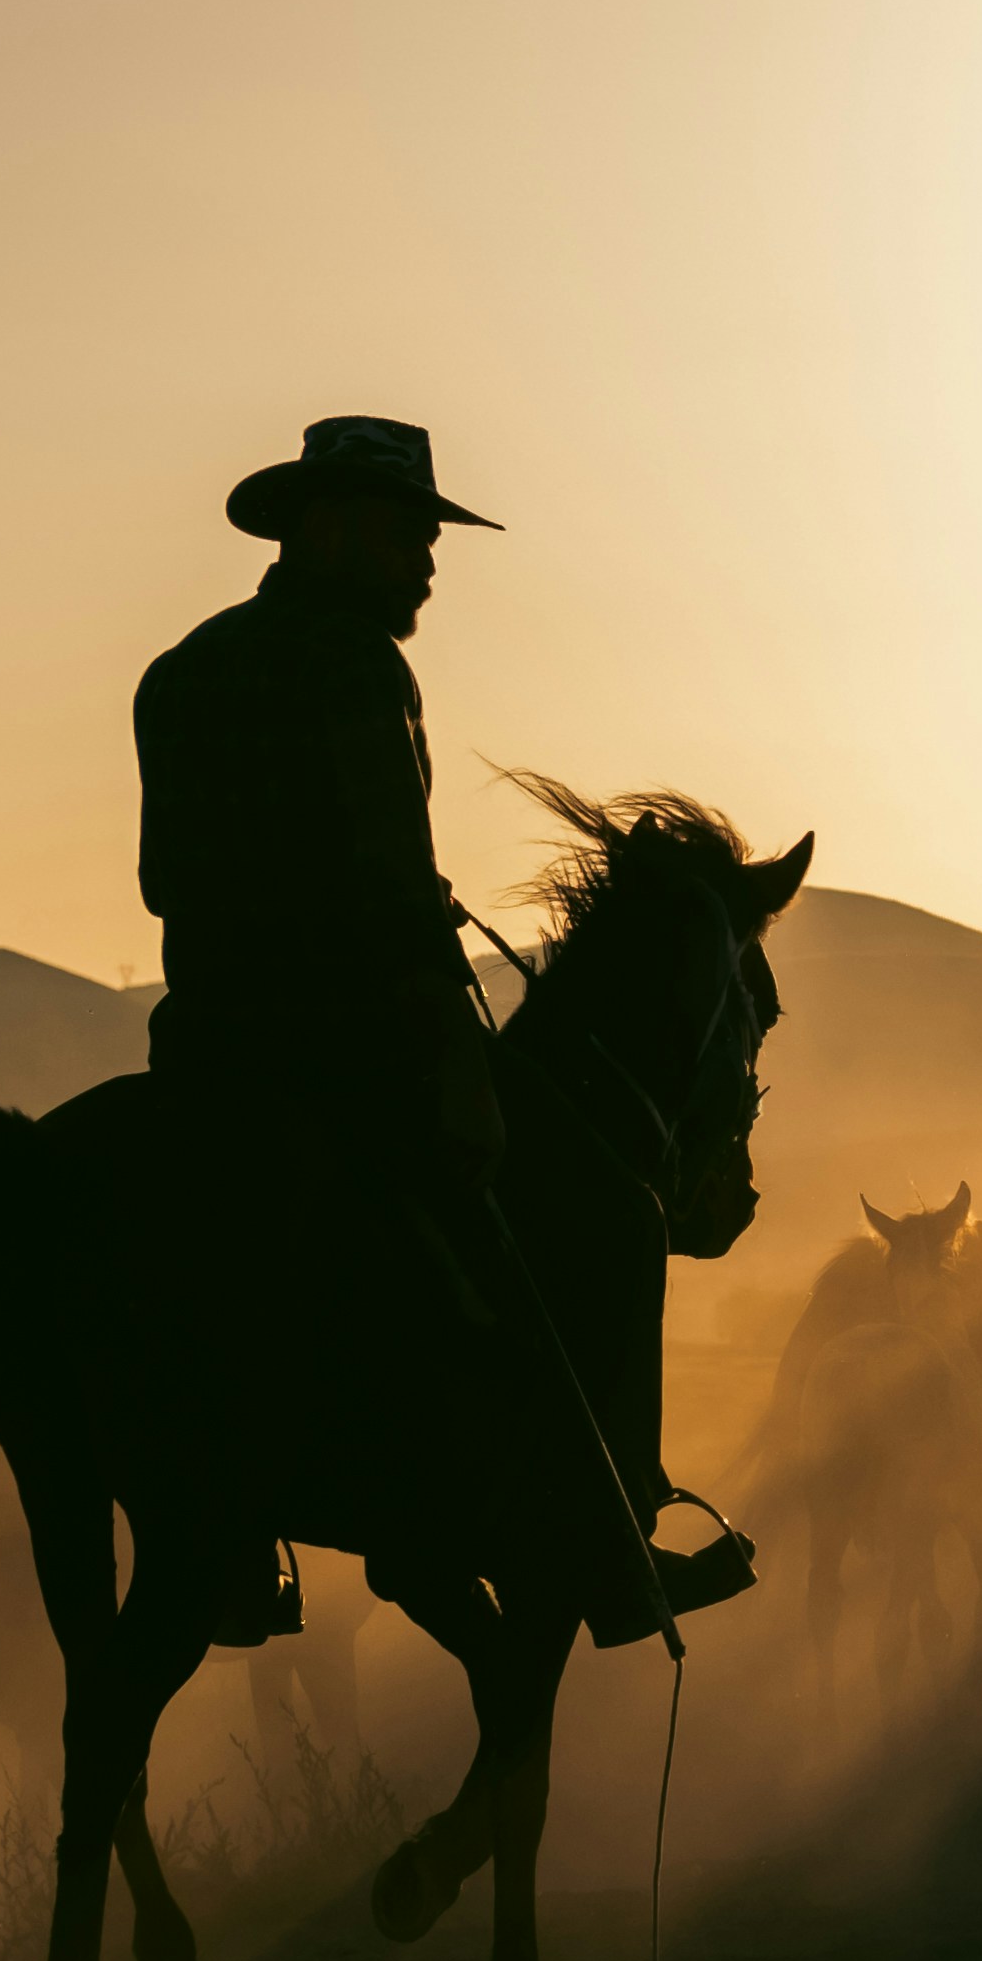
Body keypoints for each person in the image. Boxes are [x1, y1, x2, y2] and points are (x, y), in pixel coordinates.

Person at [135, 417, 729, 1636]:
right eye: (413, 533)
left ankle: (233, 1540)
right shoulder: (358, 663)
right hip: (343, 1040)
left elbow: (162, 879)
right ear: (337, 524)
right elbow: (390, 880)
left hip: (203, 1041)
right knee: (613, 1217)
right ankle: (615, 1543)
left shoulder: (178, 670)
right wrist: (448, 1041)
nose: (428, 563)